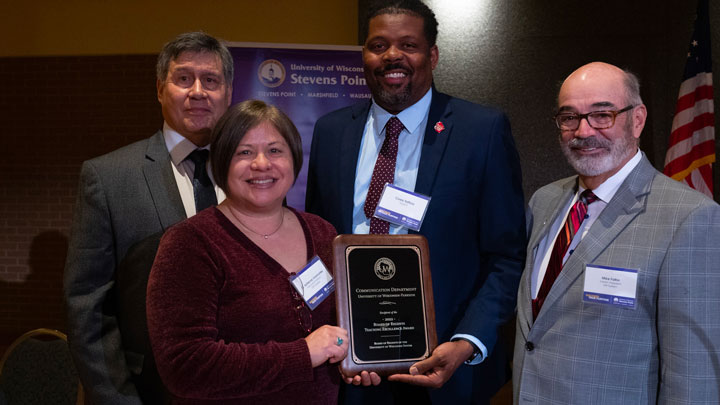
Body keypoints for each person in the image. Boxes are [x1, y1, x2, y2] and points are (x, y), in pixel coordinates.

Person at [305, 0, 526, 403]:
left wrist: (467, 340)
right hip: (351, 369)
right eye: (378, 45)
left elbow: (508, 255)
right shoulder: (331, 131)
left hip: (447, 367)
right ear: (364, 55)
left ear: (432, 55)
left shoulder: (482, 130)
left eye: (408, 45)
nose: (393, 55)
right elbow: (318, 244)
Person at [513, 62, 720, 403]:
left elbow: (693, 373)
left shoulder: (691, 218)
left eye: (602, 115)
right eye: (569, 117)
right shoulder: (544, 202)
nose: (583, 131)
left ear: (637, 120)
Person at [63, 31, 233, 404]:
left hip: (241, 388)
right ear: (159, 89)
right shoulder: (108, 178)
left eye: (211, 80)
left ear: (229, 94)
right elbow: (86, 306)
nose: (198, 91)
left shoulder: (254, 176)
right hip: (147, 392)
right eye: (183, 78)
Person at [146, 100, 347, 404]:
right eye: (244, 152)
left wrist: (353, 359)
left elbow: (338, 330)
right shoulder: (190, 244)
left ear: (294, 159)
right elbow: (185, 366)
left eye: (275, 150)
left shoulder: (323, 233)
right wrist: (302, 354)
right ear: (222, 162)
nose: (262, 164)